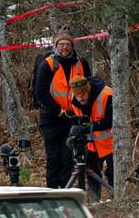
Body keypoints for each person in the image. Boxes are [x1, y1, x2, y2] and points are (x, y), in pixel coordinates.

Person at [32, 25, 91, 189]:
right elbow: (40, 92)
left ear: (72, 46)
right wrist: (58, 110)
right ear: (56, 46)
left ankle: (66, 193)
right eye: (61, 44)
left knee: (67, 159)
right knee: (53, 158)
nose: (65, 48)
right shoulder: (48, 64)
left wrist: (83, 111)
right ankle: (52, 193)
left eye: (68, 44)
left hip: (71, 118)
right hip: (50, 119)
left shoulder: (81, 63)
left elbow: (88, 86)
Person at [70, 75, 113, 197]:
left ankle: (117, 200)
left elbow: (111, 120)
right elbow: (76, 119)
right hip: (90, 144)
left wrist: (90, 127)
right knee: (91, 173)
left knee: (112, 173)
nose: (80, 98)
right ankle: (95, 200)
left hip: (110, 143)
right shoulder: (74, 100)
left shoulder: (106, 94)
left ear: (88, 89)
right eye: (77, 95)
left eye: (83, 94)